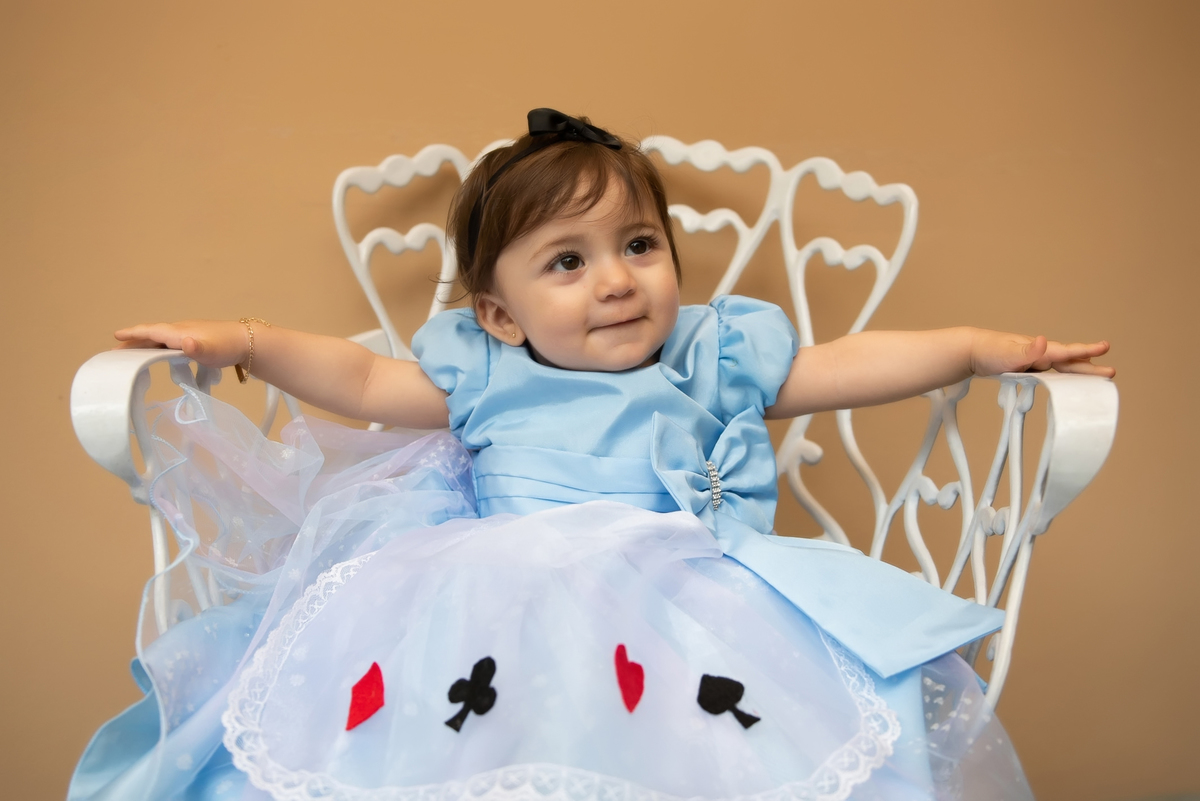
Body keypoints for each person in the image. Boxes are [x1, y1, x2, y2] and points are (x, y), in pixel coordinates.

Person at [73, 109, 1112, 801]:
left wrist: (974, 348)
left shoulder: (710, 357)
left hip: (690, 593)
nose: (616, 280)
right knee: (480, 724)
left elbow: (845, 365)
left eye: (639, 246)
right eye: (567, 262)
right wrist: (246, 340)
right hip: (499, 592)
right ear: (499, 312)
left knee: (722, 737)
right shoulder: (485, 370)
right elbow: (359, 379)